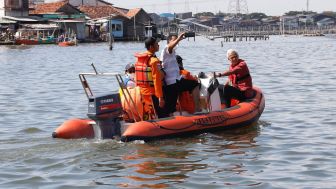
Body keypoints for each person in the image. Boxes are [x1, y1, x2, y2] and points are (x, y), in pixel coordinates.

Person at [134, 36, 167, 119]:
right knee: (162, 114)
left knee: (148, 114)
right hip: (152, 94)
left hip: (141, 93)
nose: (158, 45)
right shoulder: (154, 61)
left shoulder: (139, 60)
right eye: (157, 44)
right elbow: (157, 80)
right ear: (151, 47)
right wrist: (161, 97)